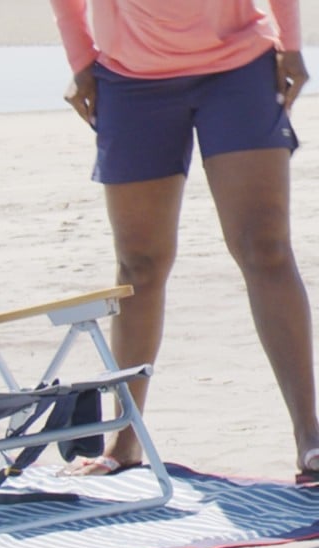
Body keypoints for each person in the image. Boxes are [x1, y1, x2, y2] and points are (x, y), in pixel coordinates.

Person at [49, 0, 319, 481]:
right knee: (139, 264)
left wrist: (292, 45)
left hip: (239, 67)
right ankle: (125, 439)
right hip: (130, 78)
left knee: (265, 248)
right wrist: (80, 60)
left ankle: (310, 437)